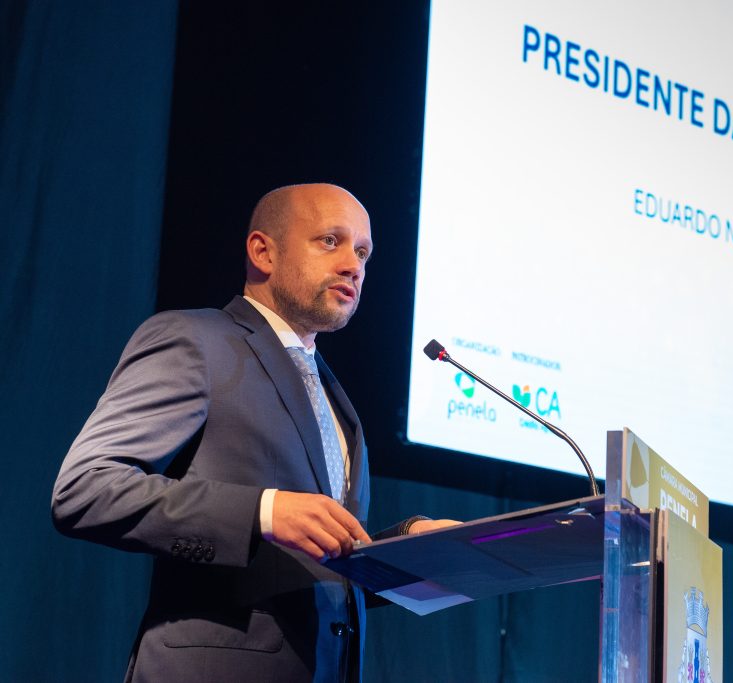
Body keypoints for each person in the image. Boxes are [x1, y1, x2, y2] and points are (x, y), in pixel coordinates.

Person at [52, 183, 452, 682]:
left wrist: (410, 548)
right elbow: (85, 490)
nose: (353, 265)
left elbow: (324, 570)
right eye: (331, 241)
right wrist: (263, 511)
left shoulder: (335, 399)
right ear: (264, 252)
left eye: (363, 252)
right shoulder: (195, 341)